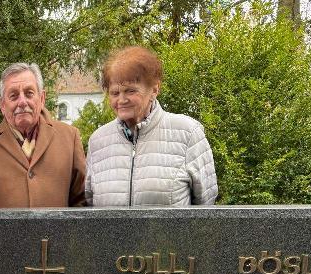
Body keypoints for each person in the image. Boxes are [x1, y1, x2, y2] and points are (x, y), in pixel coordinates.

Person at [0, 62, 86, 274]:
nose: (22, 102)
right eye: (13, 95)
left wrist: (80, 255)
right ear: (2, 105)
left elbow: (81, 201)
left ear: (42, 97)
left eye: (29, 93)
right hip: (6, 269)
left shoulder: (70, 137)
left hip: (63, 264)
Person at [85, 46, 218, 206]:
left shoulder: (188, 133)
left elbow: (206, 207)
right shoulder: (98, 141)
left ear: (154, 89)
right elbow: (90, 206)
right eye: (115, 93)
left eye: (130, 91)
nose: (121, 100)